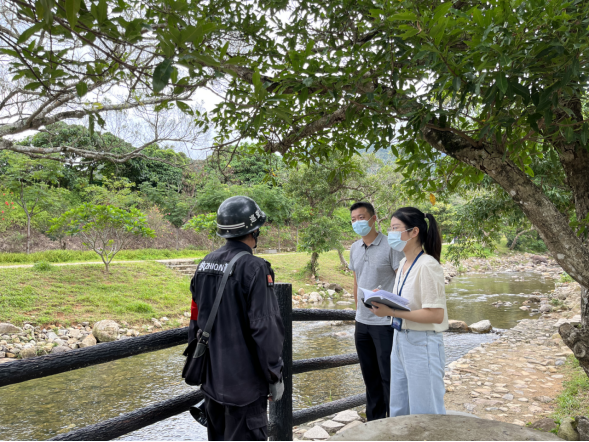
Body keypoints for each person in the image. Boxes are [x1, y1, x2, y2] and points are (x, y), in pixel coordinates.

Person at [189, 195, 285, 441]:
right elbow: (266, 329)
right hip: (245, 388)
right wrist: (274, 375)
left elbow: (195, 319)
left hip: (212, 383)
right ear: (255, 230)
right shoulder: (255, 268)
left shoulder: (204, 264)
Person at [371, 207, 448, 417]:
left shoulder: (428, 265)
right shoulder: (404, 263)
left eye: (396, 228)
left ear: (414, 232)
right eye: (390, 228)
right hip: (400, 340)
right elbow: (408, 303)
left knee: (425, 412)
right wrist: (384, 298)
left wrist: (391, 312)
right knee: (399, 408)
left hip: (422, 343)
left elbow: (435, 315)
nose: (391, 234)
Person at [349, 201, 404, 421]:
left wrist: (393, 310)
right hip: (362, 323)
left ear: (373, 219)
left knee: (388, 377)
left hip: (385, 324)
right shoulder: (354, 248)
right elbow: (355, 281)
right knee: (369, 377)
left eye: (361, 218)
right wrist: (356, 311)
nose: (357, 223)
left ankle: (394, 423)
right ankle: (374, 423)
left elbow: (401, 281)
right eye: (353, 220)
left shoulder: (391, 246)